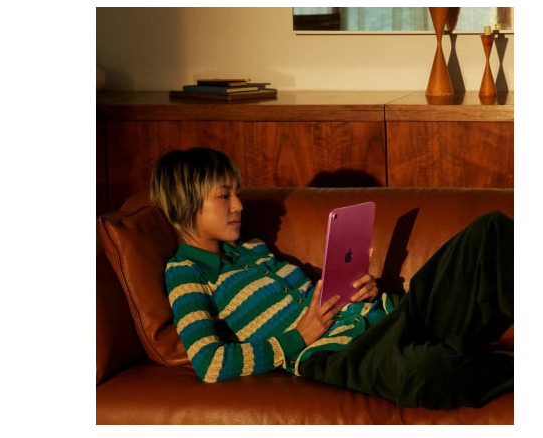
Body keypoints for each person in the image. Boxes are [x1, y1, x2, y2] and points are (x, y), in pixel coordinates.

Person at [150, 147, 514, 410]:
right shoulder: (185, 273)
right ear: (187, 202)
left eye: (238, 194)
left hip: (386, 317)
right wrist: (299, 337)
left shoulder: (254, 247)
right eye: (224, 196)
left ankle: (452, 345)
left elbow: (319, 298)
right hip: (338, 352)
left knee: (490, 230)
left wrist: (363, 290)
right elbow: (210, 363)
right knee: (429, 371)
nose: (239, 205)